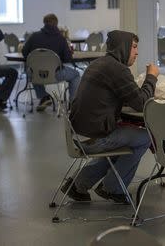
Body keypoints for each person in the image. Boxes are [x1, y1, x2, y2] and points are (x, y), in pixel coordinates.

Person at [63, 30, 159, 203]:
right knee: (146, 137)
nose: (137, 52)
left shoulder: (100, 63)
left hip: (79, 135)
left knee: (124, 143)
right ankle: (113, 188)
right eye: (134, 47)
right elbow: (142, 103)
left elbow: (114, 96)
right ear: (123, 47)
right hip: (95, 138)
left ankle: (78, 185)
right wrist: (151, 77)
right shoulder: (118, 70)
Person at [22, 14, 80, 111]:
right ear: (56, 23)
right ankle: (73, 104)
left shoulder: (34, 36)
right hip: (55, 75)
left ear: (44, 23)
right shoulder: (61, 39)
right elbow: (67, 59)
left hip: (36, 74)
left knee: (31, 70)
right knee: (76, 75)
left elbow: (24, 53)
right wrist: (67, 52)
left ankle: (44, 97)